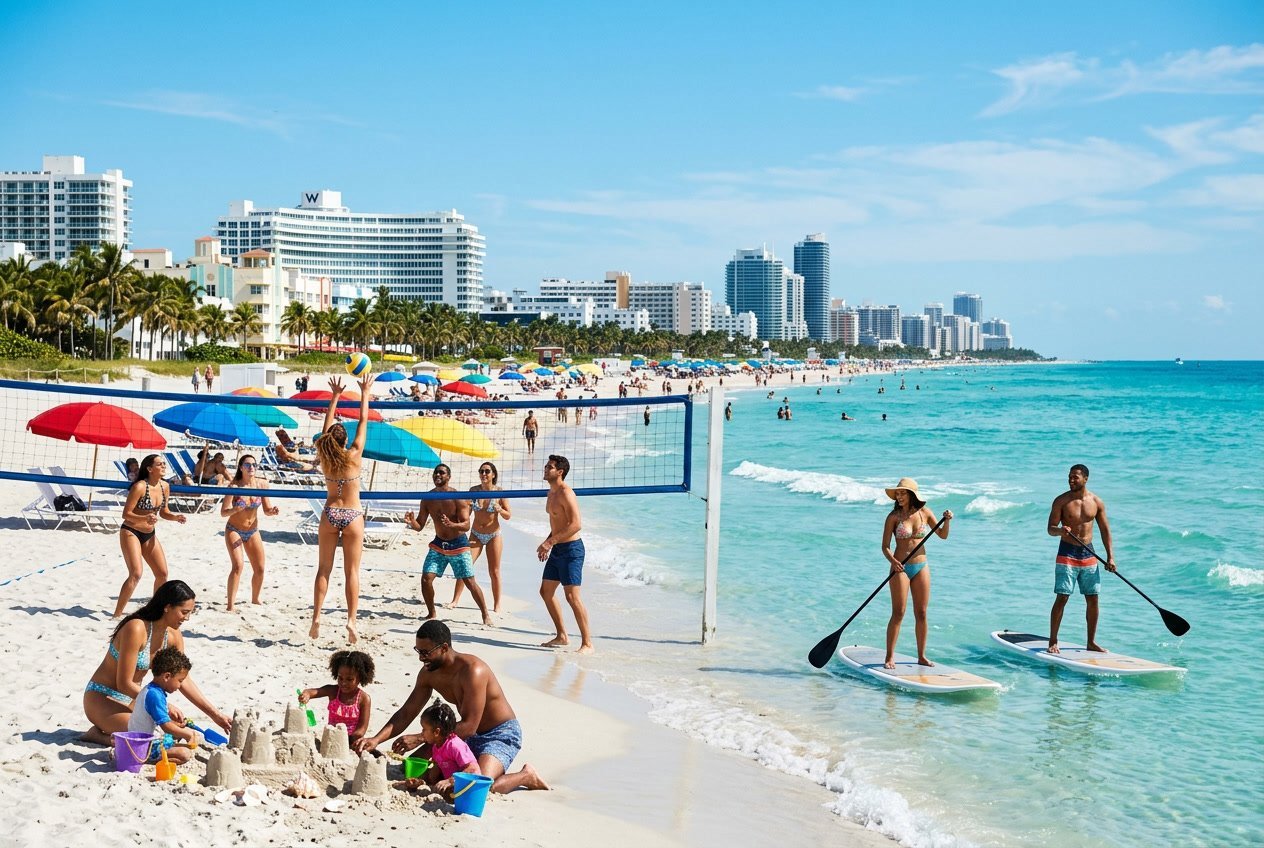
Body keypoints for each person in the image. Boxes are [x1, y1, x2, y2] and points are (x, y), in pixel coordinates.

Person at [353, 620, 549, 794]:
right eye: (418, 651)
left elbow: (470, 726)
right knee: (412, 769)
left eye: (425, 652)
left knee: (480, 785)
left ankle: (526, 775)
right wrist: (376, 739)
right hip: (457, 735)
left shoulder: (473, 671)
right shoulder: (429, 672)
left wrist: (421, 738)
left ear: (444, 648)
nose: (421, 658)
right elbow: (407, 711)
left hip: (499, 734)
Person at [83, 580, 230, 745]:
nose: (187, 618)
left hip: (135, 699)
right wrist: (164, 706)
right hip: (103, 696)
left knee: (173, 730)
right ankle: (98, 736)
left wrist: (215, 715)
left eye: (190, 613)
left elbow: (183, 679)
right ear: (167, 607)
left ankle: (113, 733)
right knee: (148, 736)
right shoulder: (137, 628)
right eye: (184, 612)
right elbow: (124, 683)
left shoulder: (173, 636)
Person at [311, 374, 375, 643]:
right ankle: (351, 620)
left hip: (330, 513)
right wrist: (365, 392)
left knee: (323, 568)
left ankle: (316, 617)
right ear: (345, 439)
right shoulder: (354, 454)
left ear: (328, 440)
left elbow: (326, 430)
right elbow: (363, 420)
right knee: (352, 572)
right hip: (352, 515)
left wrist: (335, 396)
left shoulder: (325, 456)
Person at [406, 464, 493, 626]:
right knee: (426, 578)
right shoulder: (427, 498)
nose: (438, 475)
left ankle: (485, 614)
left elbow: (466, 525)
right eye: (436, 472)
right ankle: (431, 613)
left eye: (442, 472)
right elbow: (419, 526)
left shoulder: (457, 497)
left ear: (449, 477)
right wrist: (411, 522)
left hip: (459, 544)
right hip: (439, 543)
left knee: (469, 582)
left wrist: (452, 525)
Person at [881, 478, 952, 669]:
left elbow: (943, 535)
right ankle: (889, 657)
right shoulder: (893, 517)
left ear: (912, 495)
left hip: (921, 566)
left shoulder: (925, 513)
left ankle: (921, 656)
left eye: (903, 493)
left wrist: (947, 521)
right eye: (897, 493)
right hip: (900, 568)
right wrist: (893, 562)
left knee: (921, 613)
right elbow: (885, 546)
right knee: (899, 612)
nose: (899, 496)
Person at [1047, 463, 1115, 653]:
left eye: (1075, 477)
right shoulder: (1061, 501)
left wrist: (1110, 557)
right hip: (1067, 552)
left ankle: (1091, 642)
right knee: (1062, 597)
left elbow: (1105, 530)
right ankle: (1053, 641)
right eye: (1069, 476)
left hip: (1089, 554)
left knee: (1093, 598)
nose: (1071, 480)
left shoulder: (1096, 502)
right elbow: (1050, 529)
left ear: (1085, 479)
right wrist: (1060, 530)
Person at [115, 455, 187, 618]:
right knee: (136, 573)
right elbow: (126, 514)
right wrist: (144, 518)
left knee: (162, 573)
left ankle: (154, 610)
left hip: (149, 533)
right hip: (131, 531)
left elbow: (164, 512)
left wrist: (175, 517)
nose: (163, 466)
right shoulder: (140, 486)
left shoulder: (165, 486)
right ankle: (117, 614)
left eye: (164, 464)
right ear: (149, 468)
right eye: (160, 464)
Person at [536, 455, 592, 653]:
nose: (545, 468)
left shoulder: (566, 493)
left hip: (572, 550)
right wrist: (548, 543)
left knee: (572, 597)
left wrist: (549, 542)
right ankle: (562, 636)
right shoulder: (551, 493)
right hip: (558, 548)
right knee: (546, 592)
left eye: (549, 467)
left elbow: (576, 524)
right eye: (546, 465)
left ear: (560, 472)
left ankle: (587, 643)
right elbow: (558, 523)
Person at [221, 454, 280, 611]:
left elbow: (267, 510)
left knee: (260, 568)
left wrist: (272, 511)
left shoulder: (262, 484)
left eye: (254, 464)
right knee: (238, 566)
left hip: (252, 530)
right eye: (247, 465)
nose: (251, 467)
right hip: (234, 529)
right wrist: (235, 509)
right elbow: (223, 512)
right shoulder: (234, 487)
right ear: (241, 468)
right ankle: (230, 606)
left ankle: (255, 599)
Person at [450, 462, 511, 613]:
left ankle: (497, 605)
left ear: (493, 474)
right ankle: (455, 600)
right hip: (476, 533)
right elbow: (467, 513)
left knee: (494, 571)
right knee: (465, 566)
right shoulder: (474, 490)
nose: (484, 474)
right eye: (481, 471)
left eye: (487, 471)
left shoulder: (500, 492)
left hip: (493, 535)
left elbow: (508, 515)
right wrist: (465, 507)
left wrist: (500, 510)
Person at [127, 647, 198, 765]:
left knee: (176, 737)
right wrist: (187, 733)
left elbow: (156, 722)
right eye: (180, 681)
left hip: (143, 740)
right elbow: (166, 727)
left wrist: (177, 726)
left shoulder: (152, 690)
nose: (180, 686)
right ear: (166, 676)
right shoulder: (154, 696)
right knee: (184, 754)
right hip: (143, 746)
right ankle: (147, 759)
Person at [393, 699, 480, 794]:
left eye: (424, 729)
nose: (422, 733)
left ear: (436, 732)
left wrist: (450, 781)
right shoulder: (436, 746)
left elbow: (473, 769)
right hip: (448, 783)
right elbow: (435, 772)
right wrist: (420, 781)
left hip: (465, 788)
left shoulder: (455, 745)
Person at [299, 649, 375, 742]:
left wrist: (345, 739)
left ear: (360, 678)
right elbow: (312, 692)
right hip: (331, 738)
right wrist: (306, 695)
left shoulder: (364, 699)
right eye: (340, 678)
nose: (343, 683)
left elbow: (361, 730)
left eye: (349, 679)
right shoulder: (333, 691)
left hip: (351, 741)